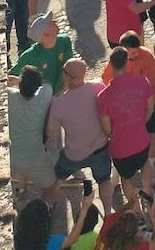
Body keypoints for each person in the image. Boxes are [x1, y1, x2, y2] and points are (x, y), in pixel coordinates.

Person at [47, 59, 114, 211]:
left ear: (68, 77)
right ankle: (108, 213)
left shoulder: (58, 103)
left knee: (58, 177)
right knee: (104, 180)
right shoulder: (97, 86)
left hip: (74, 154)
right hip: (100, 149)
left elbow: (52, 135)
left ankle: (47, 206)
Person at [96, 46, 155, 204]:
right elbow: (150, 108)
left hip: (120, 148)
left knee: (126, 178)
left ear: (110, 64)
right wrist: (140, 123)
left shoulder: (103, 97)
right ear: (127, 62)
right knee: (145, 164)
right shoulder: (142, 82)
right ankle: (148, 194)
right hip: (141, 140)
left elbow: (107, 128)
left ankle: (135, 208)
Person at [8, 65, 58, 201]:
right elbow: (47, 84)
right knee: (50, 188)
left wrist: (16, 82)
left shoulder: (9, 96)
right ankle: (45, 207)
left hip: (12, 156)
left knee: (22, 173)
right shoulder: (45, 95)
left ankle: (21, 191)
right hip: (35, 156)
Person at [9, 12, 74, 95]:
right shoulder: (30, 55)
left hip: (65, 92)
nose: (54, 21)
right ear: (45, 35)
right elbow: (11, 77)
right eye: (50, 22)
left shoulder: (65, 40)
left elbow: (70, 67)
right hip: (45, 98)